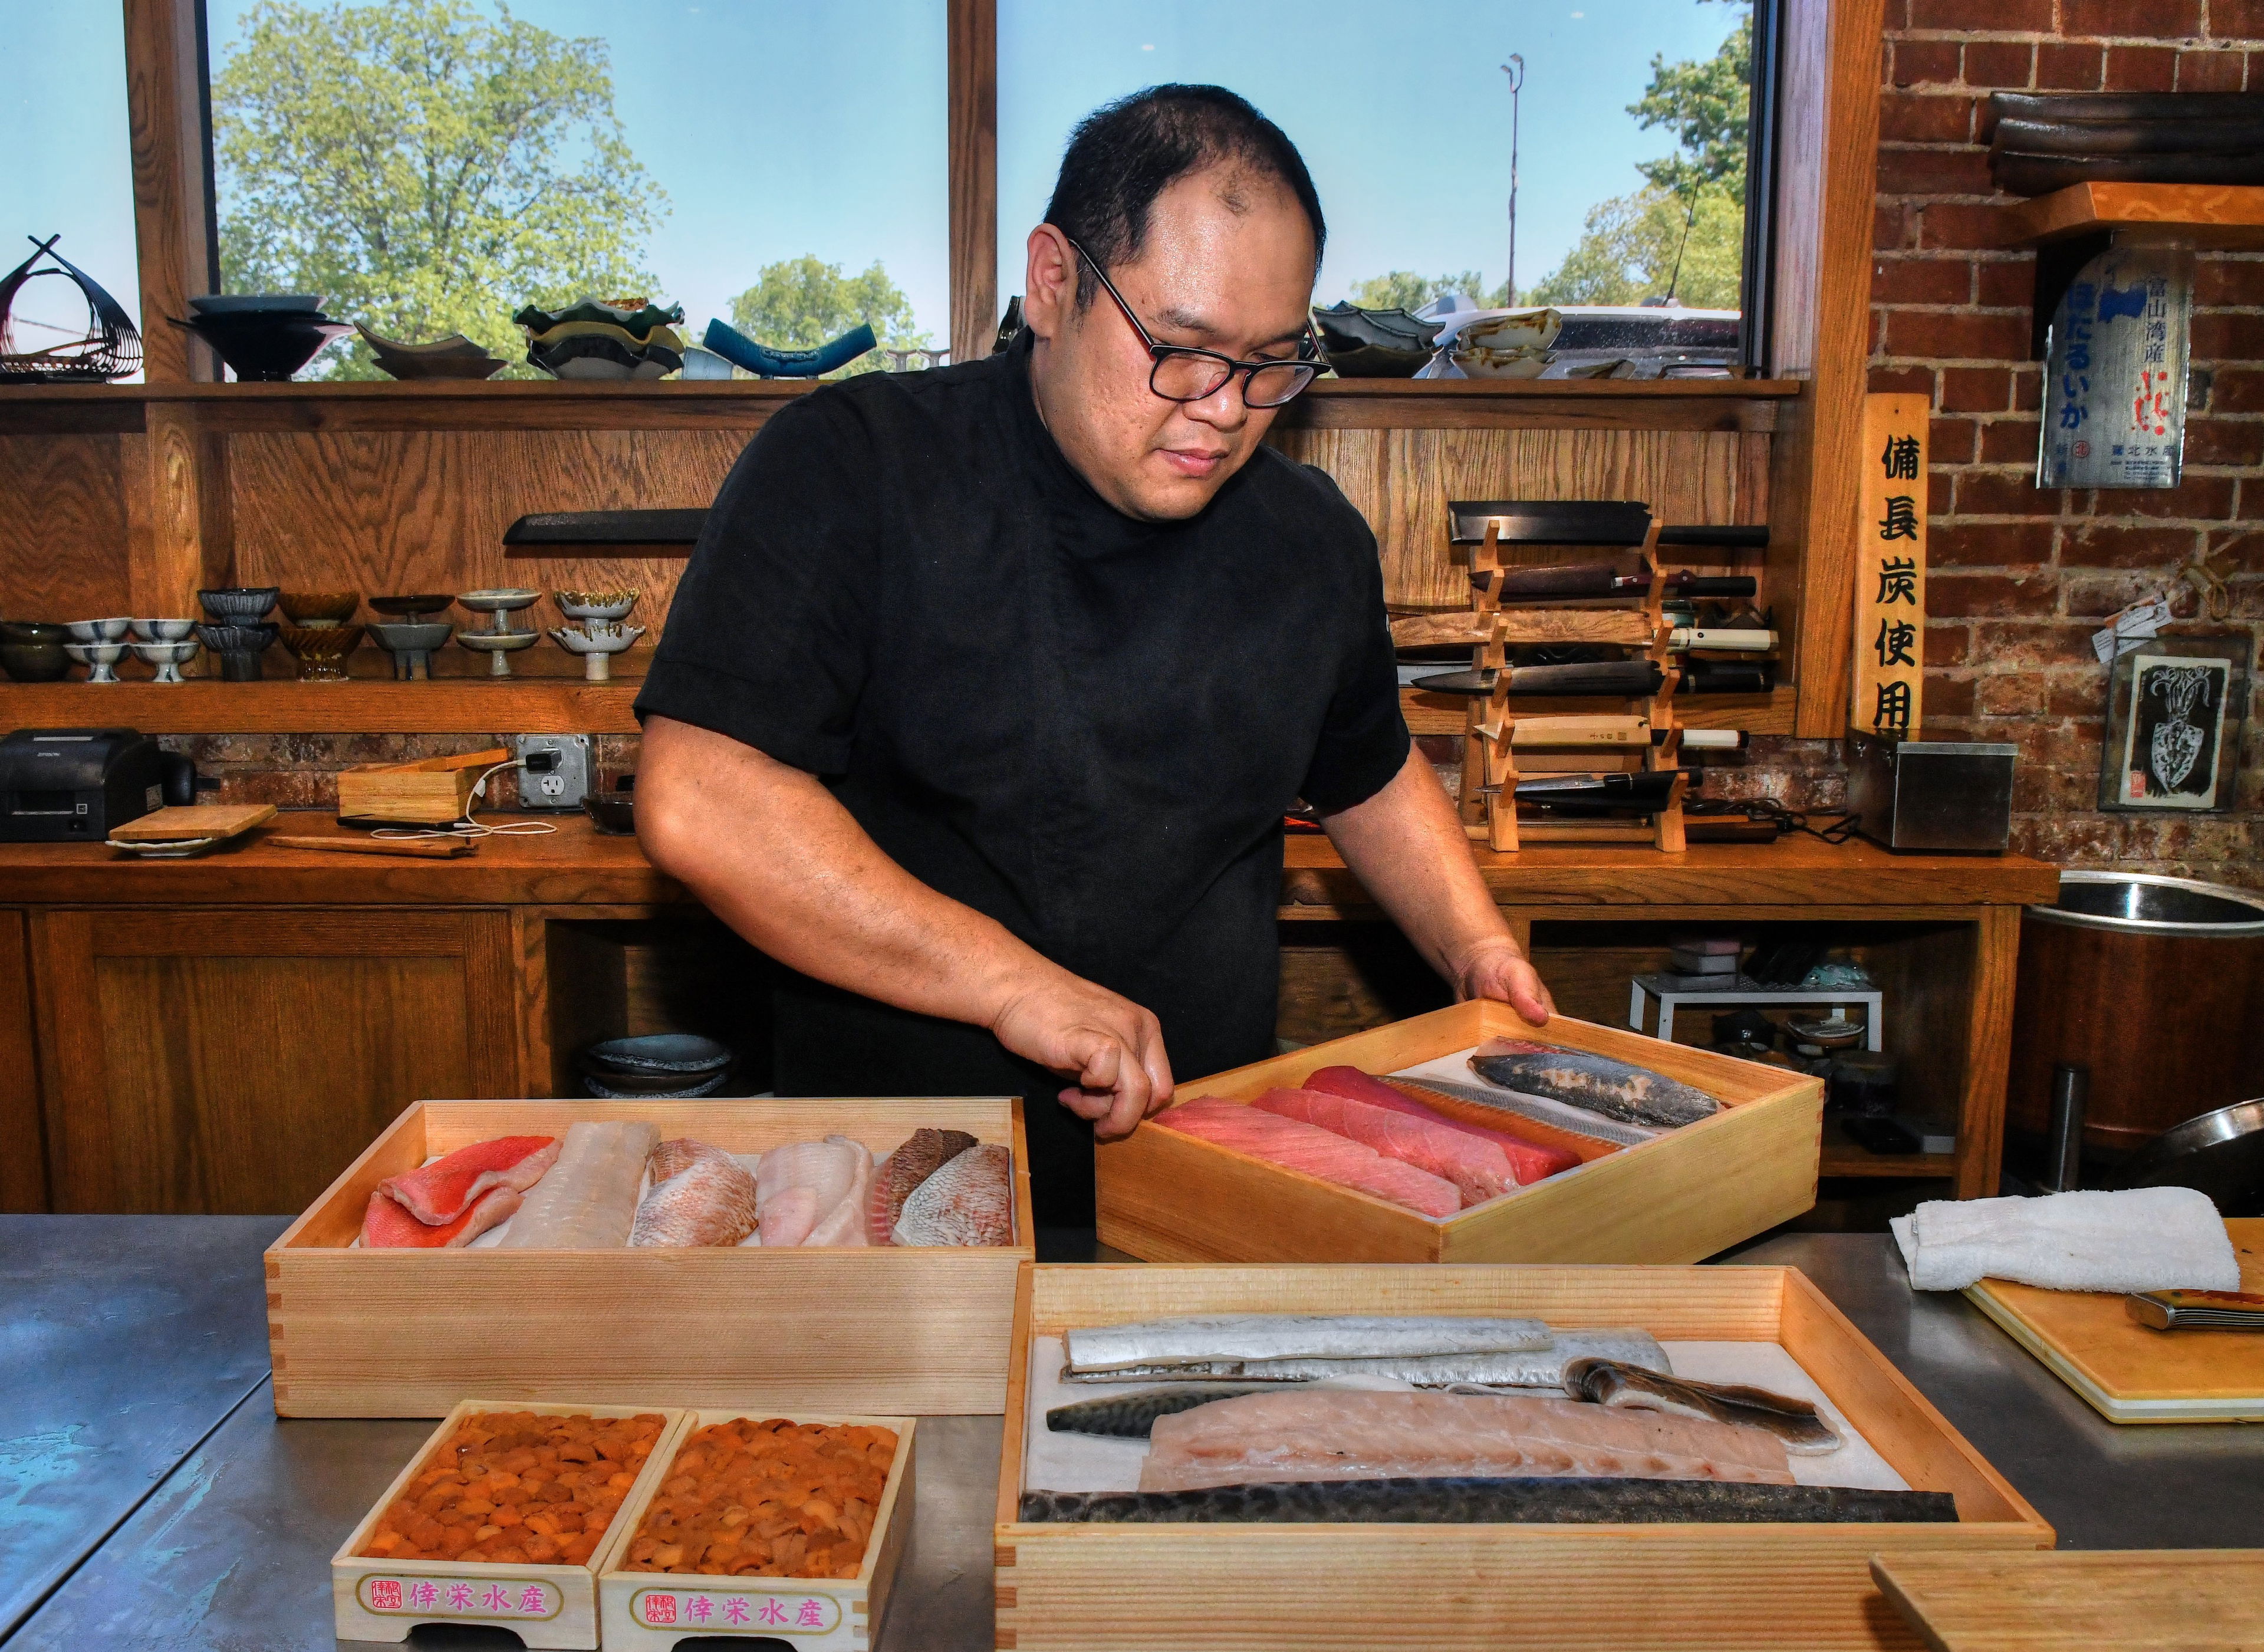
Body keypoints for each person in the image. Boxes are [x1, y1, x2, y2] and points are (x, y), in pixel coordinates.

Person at [636, 85, 1552, 1227]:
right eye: (1184, 349)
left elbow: (1368, 769)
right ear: (1055, 282)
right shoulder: (852, 468)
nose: (1225, 409)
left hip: (1200, 1180)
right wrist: (1017, 985)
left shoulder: (1309, 539)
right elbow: (700, 797)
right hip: (896, 1191)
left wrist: (1476, 953)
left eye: (1272, 362)